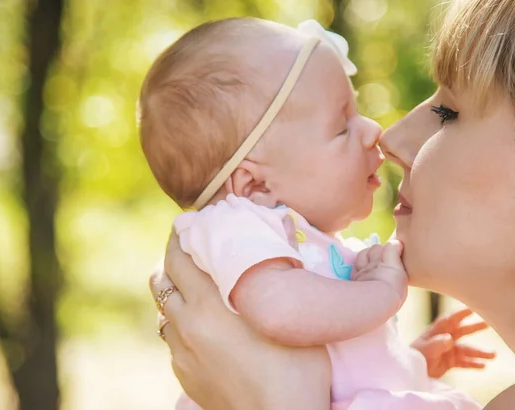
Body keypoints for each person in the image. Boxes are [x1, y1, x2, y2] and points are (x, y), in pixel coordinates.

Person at [149, 0, 515, 409]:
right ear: (252, 181)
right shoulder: (236, 227)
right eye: (341, 126)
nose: (386, 136)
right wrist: (391, 317)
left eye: (449, 112)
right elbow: (284, 312)